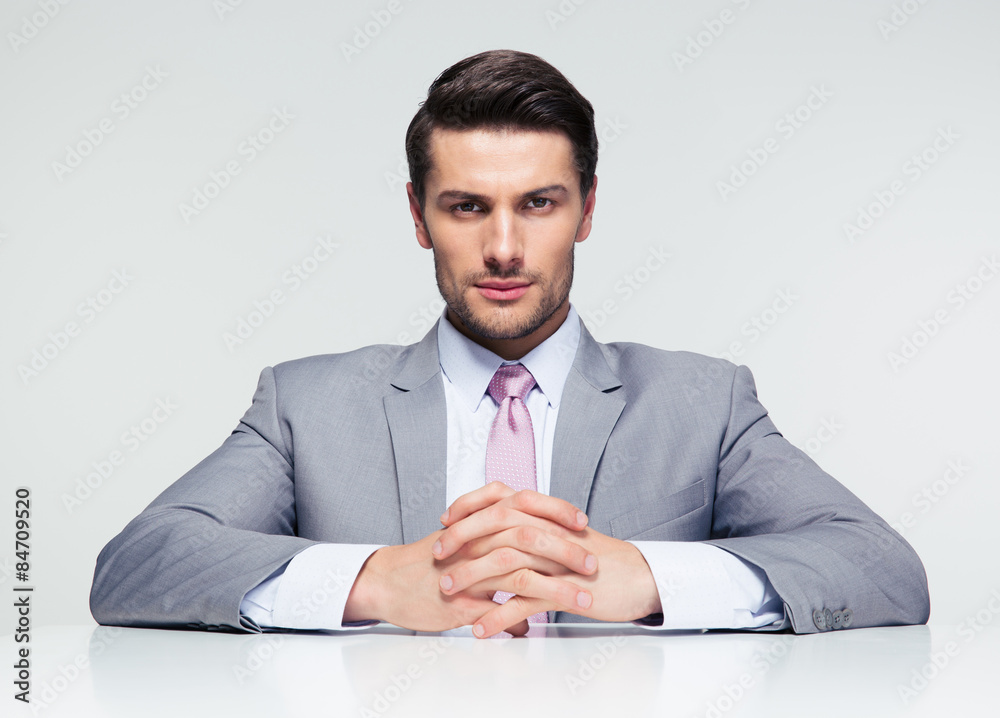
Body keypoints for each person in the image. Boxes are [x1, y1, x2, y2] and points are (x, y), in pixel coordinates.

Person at [90, 49, 930, 639]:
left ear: (587, 211)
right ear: (418, 217)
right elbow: (136, 567)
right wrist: (378, 582)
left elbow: (884, 570)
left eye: (538, 204)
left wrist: (647, 579)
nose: (502, 248)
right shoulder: (304, 404)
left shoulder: (704, 402)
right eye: (466, 207)